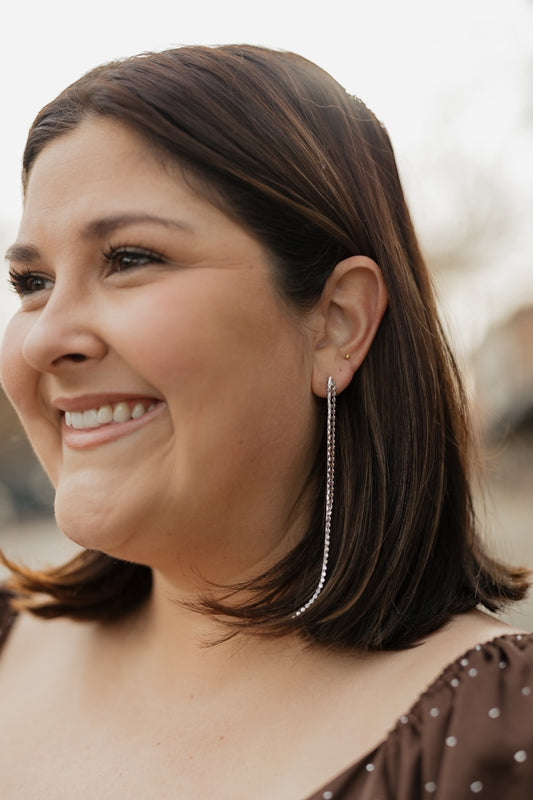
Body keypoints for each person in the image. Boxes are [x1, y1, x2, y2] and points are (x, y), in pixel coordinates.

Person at [0, 44, 531, 799]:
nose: (48, 335)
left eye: (128, 258)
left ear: (336, 324)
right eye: (32, 281)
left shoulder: (496, 737)